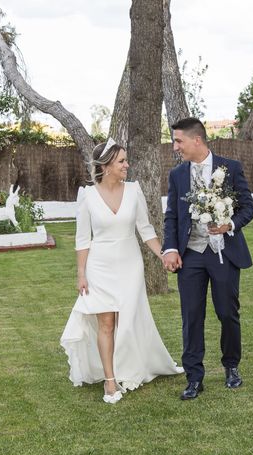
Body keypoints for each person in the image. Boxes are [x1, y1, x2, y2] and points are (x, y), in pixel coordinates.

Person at [61, 138, 183, 404]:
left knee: (127, 320)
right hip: (99, 266)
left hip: (130, 264)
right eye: (122, 161)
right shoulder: (88, 195)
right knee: (105, 322)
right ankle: (110, 380)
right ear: (106, 166)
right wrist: (81, 273)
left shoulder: (133, 190)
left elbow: (145, 229)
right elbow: (83, 239)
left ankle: (130, 368)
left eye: (126, 160)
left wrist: (163, 253)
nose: (127, 165)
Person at [162, 117, 253, 400]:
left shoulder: (230, 168)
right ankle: (194, 378)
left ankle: (231, 366)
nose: (175, 146)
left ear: (196, 140)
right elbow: (172, 216)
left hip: (223, 253)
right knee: (191, 316)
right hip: (191, 254)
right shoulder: (177, 175)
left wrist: (230, 225)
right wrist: (170, 249)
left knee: (227, 312)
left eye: (178, 141)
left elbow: (248, 207)